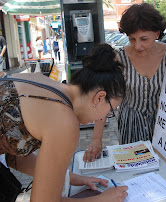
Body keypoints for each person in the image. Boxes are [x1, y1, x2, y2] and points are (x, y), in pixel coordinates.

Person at [0, 43, 128, 201]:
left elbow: (16, 157)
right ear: (99, 97)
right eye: (109, 111)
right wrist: (101, 199)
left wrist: (75, 178)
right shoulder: (64, 122)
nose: (104, 117)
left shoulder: (41, 81)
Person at [84, 3, 166, 162]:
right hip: (130, 126)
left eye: (144, 39)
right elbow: (107, 98)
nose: (137, 46)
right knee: (133, 171)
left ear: (157, 33)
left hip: (164, 127)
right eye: (131, 39)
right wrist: (96, 139)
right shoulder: (119, 57)